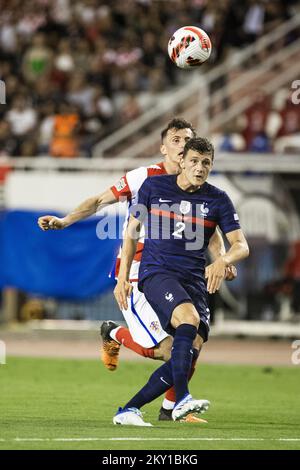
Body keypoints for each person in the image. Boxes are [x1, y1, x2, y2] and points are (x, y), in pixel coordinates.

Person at [37, 118, 236, 422]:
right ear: (164, 147)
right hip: (141, 270)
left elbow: (208, 234)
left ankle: (172, 408)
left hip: (183, 270)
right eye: (177, 140)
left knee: (190, 342)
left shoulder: (201, 189)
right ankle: (115, 335)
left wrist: (222, 259)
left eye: (188, 140)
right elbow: (98, 202)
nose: (183, 146)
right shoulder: (145, 178)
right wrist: (65, 221)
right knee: (169, 349)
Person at [113, 136, 249, 426]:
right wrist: (123, 277)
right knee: (187, 320)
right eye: (195, 161)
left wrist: (223, 261)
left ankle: (128, 409)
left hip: (194, 281)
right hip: (157, 273)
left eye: (207, 163)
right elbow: (131, 232)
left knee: (189, 352)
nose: (200, 168)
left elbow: (241, 245)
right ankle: (182, 401)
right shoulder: (153, 187)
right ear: (182, 162)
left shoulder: (218, 199)